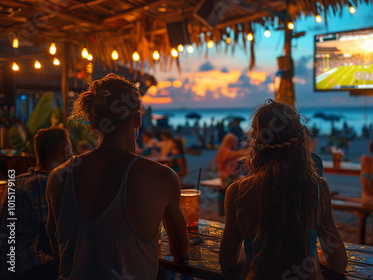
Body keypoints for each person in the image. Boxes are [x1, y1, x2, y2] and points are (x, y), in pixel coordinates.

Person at [46, 73, 188, 279]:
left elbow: (56, 247)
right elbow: (180, 251)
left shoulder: (58, 177)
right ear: (138, 118)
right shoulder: (163, 178)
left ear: (93, 125)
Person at [219, 99, 347, 279]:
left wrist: (250, 252)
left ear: (256, 141)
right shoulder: (317, 189)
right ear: (300, 140)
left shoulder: (237, 192)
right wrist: (313, 255)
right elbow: (339, 264)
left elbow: (227, 261)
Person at [0, 128, 70, 280]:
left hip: (8, 267)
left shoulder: (17, 181)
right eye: (68, 150)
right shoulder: (44, 183)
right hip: (28, 268)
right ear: (63, 151)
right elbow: (53, 239)